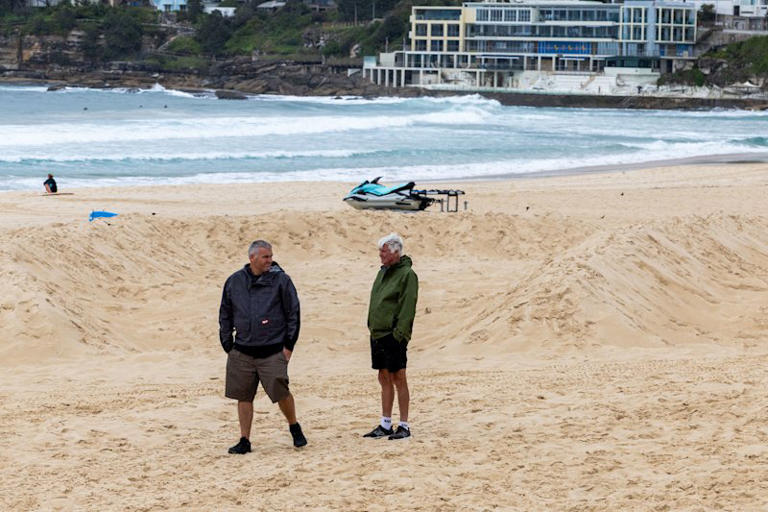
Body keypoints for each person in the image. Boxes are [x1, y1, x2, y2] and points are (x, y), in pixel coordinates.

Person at [219, 240, 307, 454]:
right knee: (243, 395)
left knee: (281, 392)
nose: (270, 260)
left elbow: (293, 313)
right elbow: (225, 313)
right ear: (252, 258)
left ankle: (294, 426)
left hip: (273, 349)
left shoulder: (281, 280)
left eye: (270, 256)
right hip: (242, 350)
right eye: (266, 257)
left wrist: (289, 345)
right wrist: (227, 343)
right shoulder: (235, 281)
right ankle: (244, 440)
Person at [363, 233, 418, 440]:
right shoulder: (382, 273)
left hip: (393, 336)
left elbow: (407, 307)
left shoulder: (407, 275)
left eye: (383, 251)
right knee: (383, 377)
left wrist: (400, 334)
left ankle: (404, 425)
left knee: (398, 377)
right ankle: (385, 424)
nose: (380, 255)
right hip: (377, 333)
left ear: (395, 252)